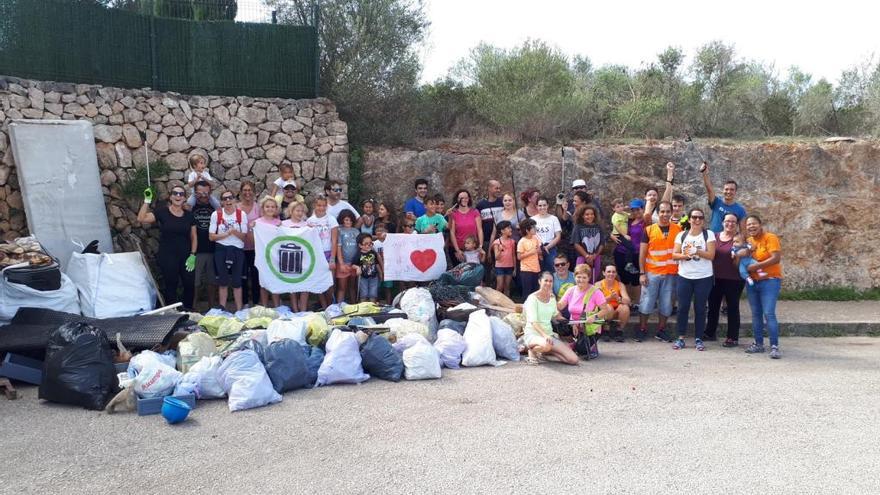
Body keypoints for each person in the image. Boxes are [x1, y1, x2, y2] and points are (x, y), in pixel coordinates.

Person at [137, 185, 196, 309]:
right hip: (167, 255)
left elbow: (194, 237)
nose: (178, 196)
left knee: (189, 284)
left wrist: (193, 254)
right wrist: (147, 201)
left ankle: (189, 311)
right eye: (175, 193)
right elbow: (141, 218)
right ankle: (172, 314)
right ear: (170, 196)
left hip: (186, 255)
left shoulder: (189, 215)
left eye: (181, 194)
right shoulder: (162, 212)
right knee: (171, 284)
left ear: (185, 198)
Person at [670, 208, 716, 351]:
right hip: (685, 276)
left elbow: (711, 255)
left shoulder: (709, 234)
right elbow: (674, 255)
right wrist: (685, 255)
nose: (697, 220)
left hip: (703, 277)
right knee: (682, 307)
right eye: (694, 217)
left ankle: (698, 338)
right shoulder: (681, 235)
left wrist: (697, 251)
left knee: (700, 308)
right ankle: (681, 337)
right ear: (689, 219)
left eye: (700, 218)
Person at [637, 201, 682, 342]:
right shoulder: (649, 230)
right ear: (658, 213)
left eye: (668, 211)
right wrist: (642, 273)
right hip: (652, 272)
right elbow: (642, 254)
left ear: (671, 212)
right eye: (662, 211)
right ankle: (642, 329)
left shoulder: (678, 230)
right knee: (646, 302)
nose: (665, 214)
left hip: (671, 273)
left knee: (667, 303)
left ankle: (661, 330)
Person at [742, 215, 783, 359]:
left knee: (769, 313)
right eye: (748, 225)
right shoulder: (748, 241)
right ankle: (758, 344)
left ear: (760, 224)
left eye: (754, 224)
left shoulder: (770, 237)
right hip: (753, 282)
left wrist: (756, 266)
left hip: (770, 281)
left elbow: (776, 258)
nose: (751, 227)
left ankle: (774, 346)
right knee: (756, 314)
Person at [706, 213, 746, 346]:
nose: (730, 224)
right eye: (727, 221)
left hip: (734, 279)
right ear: (722, 222)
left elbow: (746, 254)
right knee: (713, 307)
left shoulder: (740, 239)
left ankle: (732, 337)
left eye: (733, 222)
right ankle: (710, 333)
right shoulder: (714, 237)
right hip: (714, 278)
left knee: (732, 308)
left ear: (737, 224)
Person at [523, 272, 579, 366]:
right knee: (547, 345)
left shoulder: (552, 298)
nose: (548, 283)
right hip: (534, 335)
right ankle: (531, 350)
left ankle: (544, 352)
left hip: (549, 336)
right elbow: (533, 322)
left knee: (573, 360)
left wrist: (572, 323)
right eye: (546, 281)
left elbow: (557, 316)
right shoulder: (532, 299)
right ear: (539, 281)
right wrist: (545, 336)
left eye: (551, 281)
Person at [558, 263, 612, 358]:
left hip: (590, 327)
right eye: (578, 277)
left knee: (582, 351)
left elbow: (605, 310)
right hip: (574, 324)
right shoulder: (571, 290)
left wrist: (594, 317)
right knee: (556, 323)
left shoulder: (595, 292)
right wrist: (548, 299)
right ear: (574, 277)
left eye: (584, 277)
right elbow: (560, 306)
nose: (581, 280)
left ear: (589, 278)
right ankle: (573, 342)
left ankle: (586, 346)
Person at [209, 190, 249, 312]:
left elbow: (244, 236)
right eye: (224, 198)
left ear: (234, 200)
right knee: (223, 281)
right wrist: (227, 234)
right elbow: (211, 237)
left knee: (237, 281)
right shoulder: (216, 214)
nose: (228, 201)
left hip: (237, 249)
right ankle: (222, 309)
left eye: (230, 198)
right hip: (221, 249)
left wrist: (234, 232)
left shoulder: (241, 214)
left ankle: (239, 310)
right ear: (221, 202)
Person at [612, 199, 646, 305]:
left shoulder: (645, 222)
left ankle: (636, 303)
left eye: (638, 209)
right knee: (624, 279)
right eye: (633, 210)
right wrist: (612, 235)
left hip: (636, 254)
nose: (636, 212)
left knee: (636, 280)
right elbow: (617, 228)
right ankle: (627, 302)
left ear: (642, 209)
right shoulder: (628, 220)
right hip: (621, 253)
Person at [251, 195, 282, 308]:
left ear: (276, 209)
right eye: (267, 206)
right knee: (263, 281)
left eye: (272, 207)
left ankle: (277, 306)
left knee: (275, 281)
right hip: (262, 256)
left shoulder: (279, 223)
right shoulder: (257, 222)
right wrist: (252, 228)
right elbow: (252, 239)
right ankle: (264, 306)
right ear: (263, 208)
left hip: (275, 256)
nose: (270, 209)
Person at [307, 196, 338, 308]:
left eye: (324, 205)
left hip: (328, 252)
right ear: (315, 206)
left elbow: (334, 240)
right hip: (316, 254)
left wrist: (333, 259)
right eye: (319, 205)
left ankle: (331, 305)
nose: (321, 208)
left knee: (330, 282)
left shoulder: (331, 219)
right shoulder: (310, 221)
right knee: (319, 282)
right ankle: (324, 306)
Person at [191, 180, 217, 310]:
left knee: (212, 281)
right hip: (196, 251)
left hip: (213, 249)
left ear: (210, 192)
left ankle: (212, 308)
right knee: (195, 281)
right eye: (200, 192)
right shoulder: (190, 208)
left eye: (206, 192)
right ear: (195, 193)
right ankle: (193, 307)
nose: (203, 195)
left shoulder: (215, 208)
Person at [700, 161, 747, 233]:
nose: (728, 192)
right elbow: (709, 189)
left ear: (735, 192)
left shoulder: (740, 210)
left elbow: (743, 231)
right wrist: (704, 173)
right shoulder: (716, 202)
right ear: (723, 190)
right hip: (713, 239)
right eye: (726, 189)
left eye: (732, 190)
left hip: (729, 241)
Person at [281, 200, 310, 311]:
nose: (299, 213)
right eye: (297, 210)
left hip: (305, 257)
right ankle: (295, 309)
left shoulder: (306, 225)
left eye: (302, 211)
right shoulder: (284, 224)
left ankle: (302, 309)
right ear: (291, 211)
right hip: (290, 257)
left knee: (305, 284)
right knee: (292, 285)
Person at [238, 181, 261, 307]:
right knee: (242, 275)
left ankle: (256, 302)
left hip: (256, 247)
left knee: (256, 275)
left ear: (254, 192)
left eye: (249, 190)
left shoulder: (258, 208)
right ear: (241, 192)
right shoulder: (236, 207)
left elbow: (265, 223)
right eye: (245, 190)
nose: (247, 192)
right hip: (240, 247)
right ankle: (245, 302)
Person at [570, 204, 604, 283]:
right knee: (581, 279)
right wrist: (587, 256)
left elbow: (602, 243)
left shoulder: (599, 227)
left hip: (596, 257)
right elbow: (576, 243)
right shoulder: (578, 227)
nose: (590, 216)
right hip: (582, 257)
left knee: (593, 280)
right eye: (587, 214)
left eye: (592, 214)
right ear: (582, 216)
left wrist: (595, 255)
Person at [598, 265, 631, 342]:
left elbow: (628, 301)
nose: (611, 274)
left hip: (616, 310)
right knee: (608, 307)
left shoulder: (620, 285)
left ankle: (619, 331)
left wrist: (618, 298)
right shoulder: (598, 284)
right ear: (604, 273)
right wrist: (610, 297)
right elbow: (598, 302)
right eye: (609, 272)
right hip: (604, 311)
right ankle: (606, 329)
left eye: (613, 272)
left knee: (625, 308)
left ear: (616, 274)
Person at [449, 189, 483, 263]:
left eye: (466, 198)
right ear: (457, 199)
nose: (464, 200)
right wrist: (457, 250)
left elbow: (479, 230)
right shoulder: (454, 213)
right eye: (461, 198)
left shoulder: (475, 212)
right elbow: (452, 232)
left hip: (473, 249)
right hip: (460, 250)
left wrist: (480, 246)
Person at [532, 197, 562, 273]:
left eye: (544, 205)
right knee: (538, 272)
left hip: (550, 247)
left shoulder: (554, 219)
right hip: (536, 248)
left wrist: (548, 247)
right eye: (540, 205)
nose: (542, 207)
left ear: (548, 205)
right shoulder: (532, 219)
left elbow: (558, 236)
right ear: (536, 206)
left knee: (552, 270)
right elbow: (530, 236)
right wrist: (538, 247)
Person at [336, 210, 360, 303]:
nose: (348, 222)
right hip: (343, 263)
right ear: (342, 220)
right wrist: (341, 264)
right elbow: (338, 248)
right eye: (346, 220)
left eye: (350, 220)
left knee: (352, 287)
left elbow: (359, 247)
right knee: (342, 288)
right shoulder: (339, 231)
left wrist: (357, 263)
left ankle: (354, 306)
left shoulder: (356, 231)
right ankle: (339, 307)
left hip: (354, 264)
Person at [610, 198, 639, 275]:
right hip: (619, 235)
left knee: (629, 247)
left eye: (621, 206)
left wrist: (628, 208)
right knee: (630, 247)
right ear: (613, 209)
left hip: (624, 235)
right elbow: (617, 226)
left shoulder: (624, 214)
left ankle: (629, 263)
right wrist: (624, 235)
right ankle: (629, 264)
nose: (620, 208)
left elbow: (632, 216)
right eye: (618, 207)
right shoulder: (615, 216)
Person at [352, 233, 382, 303]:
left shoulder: (373, 253)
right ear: (360, 245)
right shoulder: (358, 254)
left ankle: (372, 307)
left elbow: (377, 264)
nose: (369, 245)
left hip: (374, 277)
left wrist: (380, 273)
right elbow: (353, 264)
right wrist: (357, 268)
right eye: (366, 244)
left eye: (371, 243)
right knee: (363, 294)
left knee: (373, 294)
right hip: (363, 278)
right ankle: (364, 308)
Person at [476, 180, 504, 251]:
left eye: (499, 188)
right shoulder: (480, 205)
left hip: (502, 239)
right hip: (486, 240)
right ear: (489, 188)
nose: (498, 190)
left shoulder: (502, 202)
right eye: (496, 188)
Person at [517, 218, 542, 296]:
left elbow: (539, 250)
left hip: (536, 269)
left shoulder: (536, 238)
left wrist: (540, 252)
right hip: (526, 270)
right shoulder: (522, 241)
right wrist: (532, 252)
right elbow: (519, 257)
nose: (535, 228)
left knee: (536, 291)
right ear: (527, 230)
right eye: (533, 227)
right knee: (527, 292)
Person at [492, 220, 516, 296]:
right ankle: (496, 302)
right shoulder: (497, 242)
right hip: (500, 267)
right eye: (508, 228)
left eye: (510, 228)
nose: (511, 229)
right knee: (500, 286)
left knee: (507, 286)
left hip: (509, 266)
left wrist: (515, 268)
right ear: (502, 231)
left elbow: (513, 255)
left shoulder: (512, 241)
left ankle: (506, 303)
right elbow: (496, 257)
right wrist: (499, 249)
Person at [373, 224, 394, 304]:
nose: (379, 232)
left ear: (387, 232)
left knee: (387, 288)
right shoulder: (374, 244)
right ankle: (377, 304)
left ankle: (388, 304)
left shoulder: (391, 243)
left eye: (381, 230)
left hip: (389, 269)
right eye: (377, 231)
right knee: (377, 288)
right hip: (378, 269)